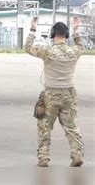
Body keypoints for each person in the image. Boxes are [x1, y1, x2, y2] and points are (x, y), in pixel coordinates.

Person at [25, 16, 84, 167]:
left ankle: (43, 158)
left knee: (45, 127)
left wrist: (33, 29)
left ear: (52, 34)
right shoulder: (73, 52)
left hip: (51, 94)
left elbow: (27, 47)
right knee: (71, 127)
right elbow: (80, 46)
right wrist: (76, 31)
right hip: (69, 94)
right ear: (66, 35)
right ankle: (77, 154)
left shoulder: (47, 51)